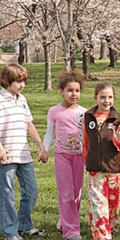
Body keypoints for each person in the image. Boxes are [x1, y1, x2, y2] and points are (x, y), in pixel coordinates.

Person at [0, 63, 47, 240]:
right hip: (6, 155)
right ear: (6, 81)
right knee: (7, 195)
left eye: (23, 82)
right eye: (18, 81)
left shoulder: (22, 99)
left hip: (23, 154)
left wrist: (40, 145)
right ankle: (10, 233)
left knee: (31, 190)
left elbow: (29, 124)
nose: (21, 85)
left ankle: (24, 225)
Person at [42, 71, 86, 240]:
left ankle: (64, 221)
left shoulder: (84, 112)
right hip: (62, 156)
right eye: (69, 90)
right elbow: (49, 134)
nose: (74, 94)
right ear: (61, 91)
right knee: (66, 192)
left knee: (77, 193)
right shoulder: (54, 111)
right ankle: (71, 231)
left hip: (80, 157)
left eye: (77, 90)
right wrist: (44, 150)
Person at [82, 82, 120, 240]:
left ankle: (111, 229)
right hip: (95, 169)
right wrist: (88, 161)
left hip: (115, 169)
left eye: (110, 97)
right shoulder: (88, 117)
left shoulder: (118, 118)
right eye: (102, 97)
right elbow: (85, 141)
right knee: (98, 205)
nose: (106, 100)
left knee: (113, 205)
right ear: (96, 98)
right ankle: (102, 235)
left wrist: (119, 139)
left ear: (114, 98)